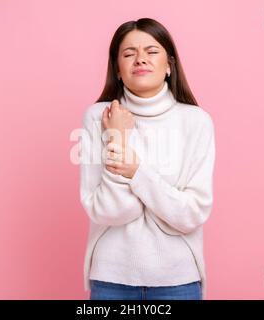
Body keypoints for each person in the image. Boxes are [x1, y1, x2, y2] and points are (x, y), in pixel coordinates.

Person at [79, 17, 216, 300]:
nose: (140, 59)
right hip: (110, 280)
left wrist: (136, 171)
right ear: (117, 70)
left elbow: (191, 214)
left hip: (178, 281)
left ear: (169, 65)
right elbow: (111, 211)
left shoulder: (196, 122)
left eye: (151, 52)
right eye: (129, 54)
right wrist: (117, 137)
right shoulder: (98, 118)